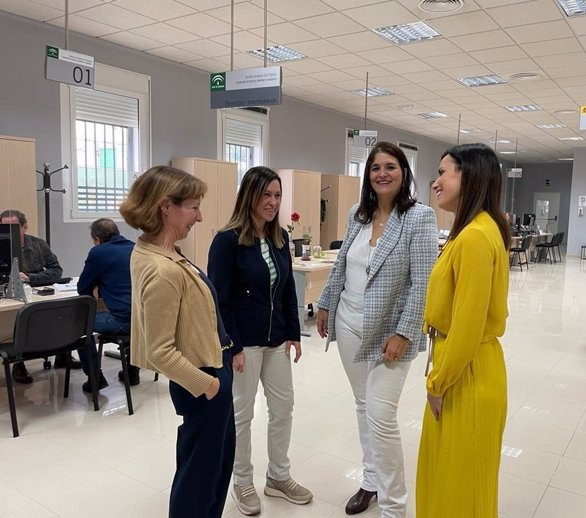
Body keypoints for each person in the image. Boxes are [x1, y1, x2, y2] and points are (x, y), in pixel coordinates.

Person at [316, 141, 437, 518]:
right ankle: (370, 479)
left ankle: (394, 507)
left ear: (404, 174)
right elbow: (341, 266)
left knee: (381, 416)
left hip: (390, 332)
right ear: (368, 175)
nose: (382, 173)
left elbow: (424, 283)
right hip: (349, 322)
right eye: (375, 168)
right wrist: (324, 302)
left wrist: (405, 332)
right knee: (363, 404)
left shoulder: (420, 217)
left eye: (391, 167)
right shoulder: (358, 214)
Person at [120, 166, 243, 518]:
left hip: (210, 370)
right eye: (193, 207)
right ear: (165, 207)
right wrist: (208, 386)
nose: (200, 217)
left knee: (213, 466)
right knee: (201, 475)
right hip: (201, 378)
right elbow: (160, 351)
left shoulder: (158, 251)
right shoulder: (162, 269)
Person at [208, 166, 312, 516]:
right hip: (245, 344)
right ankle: (242, 481)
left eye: (277, 195)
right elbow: (218, 299)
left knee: (283, 409)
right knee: (242, 415)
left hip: (277, 340)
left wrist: (294, 334)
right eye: (266, 195)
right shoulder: (228, 239)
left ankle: (278, 477)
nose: (272, 202)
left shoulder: (280, 237)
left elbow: (286, 292)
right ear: (249, 196)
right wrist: (233, 346)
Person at [416, 144, 511, 518]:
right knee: (456, 480)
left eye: (443, 172)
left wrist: (438, 383)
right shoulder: (479, 228)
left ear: (468, 176)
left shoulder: (474, 237)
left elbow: (468, 326)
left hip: (465, 372)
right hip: (465, 366)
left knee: (458, 488)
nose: (435, 182)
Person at [0, 209, 78, 384]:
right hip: (8, 294)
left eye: (12, 227)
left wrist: (31, 277)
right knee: (16, 319)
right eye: (3, 227)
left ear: (24, 227)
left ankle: (62, 354)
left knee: (60, 311)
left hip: (36, 290)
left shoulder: (38, 244)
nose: (7, 232)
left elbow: (56, 271)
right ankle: (18, 363)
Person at [76, 218, 138, 392]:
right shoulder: (135, 248)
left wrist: (98, 287)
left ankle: (94, 377)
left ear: (97, 239)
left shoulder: (99, 252)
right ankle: (132, 371)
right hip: (144, 320)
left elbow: (83, 288)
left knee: (81, 323)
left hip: (122, 321)